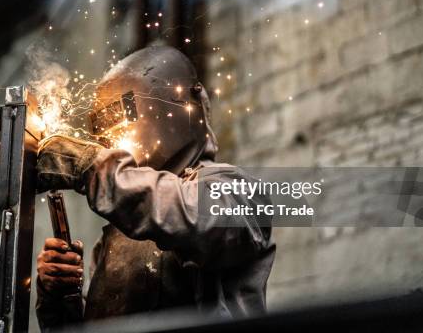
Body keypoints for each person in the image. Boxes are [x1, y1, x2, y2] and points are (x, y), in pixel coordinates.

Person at [35, 46, 275, 330]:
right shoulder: (118, 233)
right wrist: (59, 295)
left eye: (125, 113)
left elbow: (186, 215)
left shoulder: (239, 193)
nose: (115, 134)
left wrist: (88, 165)